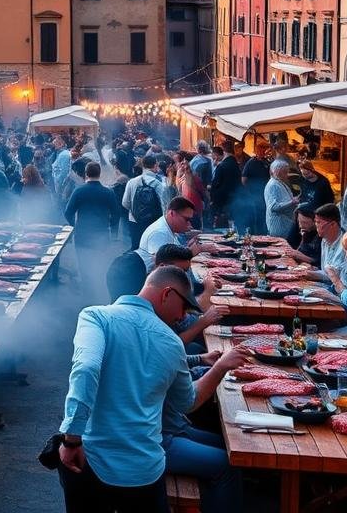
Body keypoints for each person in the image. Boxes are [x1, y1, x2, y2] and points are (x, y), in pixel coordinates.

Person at [56, 266, 202, 511]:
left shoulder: (96, 317)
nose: (183, 317)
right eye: (184, 307)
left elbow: (86, 368)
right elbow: (186, 402)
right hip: (144, 471)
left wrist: (72, 438)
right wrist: (219, 369)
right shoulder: (173, 343)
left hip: (90, 461)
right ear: (167, 293)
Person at [64, 162, 125, 304]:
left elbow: (68, 212)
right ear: (100, 174)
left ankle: (87, 298)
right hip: (102, 236)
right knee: (100, 265)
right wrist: (111, 228)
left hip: (82, 235)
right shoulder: (108, 192)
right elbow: (116, 214)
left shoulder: (79, 191)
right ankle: (101, 295)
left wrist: (75, 225)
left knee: (84, 266)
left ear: (86, 174)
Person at [137, 197, 213, 270]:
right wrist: (192, 253)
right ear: (172, 213)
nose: (189, 224)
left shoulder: (168, 227)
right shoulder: (160, 233)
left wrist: (189, 246)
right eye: (186, 219)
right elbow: (167, 267)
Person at [121, 155, 166, 248]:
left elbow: (125, 203)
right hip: (153, 222)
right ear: (155, 165)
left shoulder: (132, 182)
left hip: (134, 221)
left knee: (136, 247)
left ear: (143, 166)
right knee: (152, 248)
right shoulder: (157, 183)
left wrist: (136, 211)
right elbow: (164, 204)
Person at [207, 143, 241, 231]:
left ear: (224, 152)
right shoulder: (235, 165)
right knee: (233, 228)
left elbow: (215, 186)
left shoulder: (222, 166)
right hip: (235, 201)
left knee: (222, 230)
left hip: (222, 204)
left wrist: (212, 199)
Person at [263, 159, 298, 239]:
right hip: (279, 227)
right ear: (277, 172)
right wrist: (292, 202)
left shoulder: (280, 182)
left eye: (287, 171)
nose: (287, 174)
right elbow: (273, 207)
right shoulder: (273, 185)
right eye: (285, 172)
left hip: (286, 225)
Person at [314, 203, 347, 277]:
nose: (316, 225)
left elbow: (336, 274)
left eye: (319, 222)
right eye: (315, 222)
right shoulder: (324, 240)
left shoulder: (346, 243)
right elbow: (324, 270)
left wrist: (310, 274)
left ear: (333, 224)